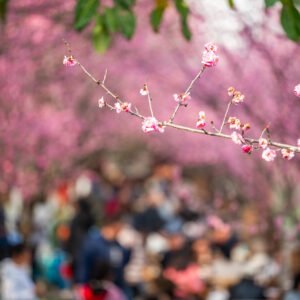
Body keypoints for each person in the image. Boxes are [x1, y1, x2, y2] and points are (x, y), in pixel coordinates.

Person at [74, 214, 131, 294]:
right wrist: (81, 283)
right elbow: (84, 265)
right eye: (117, 229)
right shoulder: (92, 244)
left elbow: (121, 265)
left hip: (114, 289)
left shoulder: (117, 245)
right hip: (95, 289)